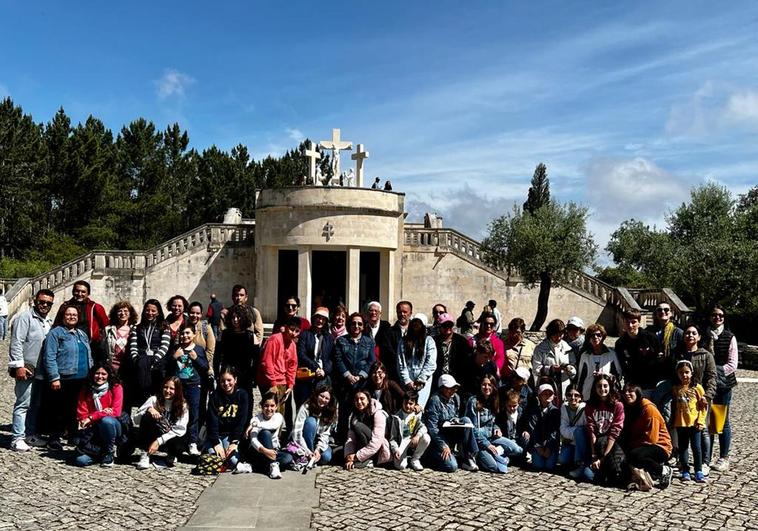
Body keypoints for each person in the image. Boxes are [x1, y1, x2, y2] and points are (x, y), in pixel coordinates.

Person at [8, 288, 54, 451]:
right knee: (23, 404)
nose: (44, 305)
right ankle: (17, 438)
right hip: (26, 368)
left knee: (35, 404)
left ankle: (30, 434)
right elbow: (16, 342)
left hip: (41, 370)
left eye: (48, 303)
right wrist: (18, 365)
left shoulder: (48, 321)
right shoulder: (24, 318)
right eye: (42, 302)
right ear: (35, 301)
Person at [44, 303, 93, 450]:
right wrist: (54, 377)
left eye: (74, 315)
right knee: (59, 409)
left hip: (82, 378)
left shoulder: (81, 334)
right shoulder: (56, 333)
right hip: (64, 377)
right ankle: (54, 437)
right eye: (68, 314)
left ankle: (73, 435)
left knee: (75, 409)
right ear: (63, 316)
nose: (72, 317)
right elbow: (49, 356)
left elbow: (88, 355)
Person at [162, 324, 209, 456]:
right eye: (182, 333)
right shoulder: (175, 349)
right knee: (177, 413)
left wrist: (196, 358)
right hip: (178, 386)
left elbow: (205, 367)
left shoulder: (199, 349)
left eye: (188, 333)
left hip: (194, 386)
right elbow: (166, 366)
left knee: (194, 414)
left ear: (194, 335)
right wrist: (174, 357)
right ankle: (176, 442)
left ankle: (192, 442)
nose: (185, 336)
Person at [703, 305, 738, 472]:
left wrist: (713, 372)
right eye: (714, 315)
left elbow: (732, 364)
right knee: (707, 421)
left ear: (724, 318)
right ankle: (706, 457)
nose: (717, 318)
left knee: (722, 421)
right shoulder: (703, 334)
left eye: (720, 315)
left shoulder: (729, 337)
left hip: (724, 385)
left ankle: (724, 457)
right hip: (706, 385)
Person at [621, 383, 673, 490]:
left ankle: (663, 470)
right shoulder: (631, 408)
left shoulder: (649, 409)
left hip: (660, 445)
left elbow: (651, 439)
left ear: (638, 393)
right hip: (642, 444)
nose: (627, 394)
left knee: (635, 455)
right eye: (625, 391)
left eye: (630, 391)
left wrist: (632, 445)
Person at [424, 374, 479, 472]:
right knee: (452, 466)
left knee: (466, 420)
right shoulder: (435, 400)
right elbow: (432, 427)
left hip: (452, 433)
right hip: (439, 438)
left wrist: (455, 420)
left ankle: (469, 456)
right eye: (449, 388)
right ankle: (432, 457)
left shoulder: (455, 398)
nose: (452, 391)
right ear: (442, 388)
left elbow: (456, 414)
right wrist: (443, 445)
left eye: (454, 388)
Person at [334, 312, 375, 439]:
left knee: (361, 411)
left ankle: (360, 437)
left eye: (359, 324)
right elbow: (338, 359)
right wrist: (348, 375)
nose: (356, 326)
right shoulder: (341, 341)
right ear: (349, 325)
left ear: (363, 326)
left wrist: (361, 376)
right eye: (353, 323)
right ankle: (341, 438)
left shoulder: (369, 342)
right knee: (344, 411)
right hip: (345, 383)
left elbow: (371, 360)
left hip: (362, 383)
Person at [133, 375, 189, 470]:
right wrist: (149, 409)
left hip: (170, 437)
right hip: (154, 432)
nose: (167, 391)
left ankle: (171, 454)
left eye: (172, 388)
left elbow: (180, 430)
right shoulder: (154, 400)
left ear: (177, 391)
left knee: (180, 441)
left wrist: (158, 441)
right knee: (147, 416)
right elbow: (136, 420)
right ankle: (145, 454)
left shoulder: (182, 405)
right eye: (165, 387)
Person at [73, 363, 124, 467]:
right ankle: (100, 454)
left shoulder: (116, 387)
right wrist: (104, 412)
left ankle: (109, 452)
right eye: (97, 373)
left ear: (108, 375)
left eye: (103, 374)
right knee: (80, 461)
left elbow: (115, 412)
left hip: (113, 427)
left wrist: (92, 417)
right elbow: (82, 415)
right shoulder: (86, 389)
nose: (100, 376)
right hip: (93, 430)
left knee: (106, 421)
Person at [205, 366, 251, 473]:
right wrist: (216, 442)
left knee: (233, 460)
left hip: (230, 435)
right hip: (216, 435)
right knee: (214, 457)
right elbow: (212, 420)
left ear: (235, 380)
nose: (226, 384)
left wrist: (235, 441)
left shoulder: (242, 395)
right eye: (222, 381)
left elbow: (241, 421)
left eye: (229, 380)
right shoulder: (214, 396)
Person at [257, 316, 300, 427]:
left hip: (283, 381)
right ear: (285, 328)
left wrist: (290, 384)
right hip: (268, 380)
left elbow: (292, 366)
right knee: (270, 411)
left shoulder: (293, 345)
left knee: (281, 412)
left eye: (297, 331)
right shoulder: (275, 339)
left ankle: (279, 438)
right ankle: (266, 437)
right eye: (291, 329)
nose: (293, 333)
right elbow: (267, 362)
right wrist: (273, 383)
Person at [584, 375, 626, 486]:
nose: (602, 389)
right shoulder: (590, 406)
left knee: (615, 463)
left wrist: (602, 459)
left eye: (605, 386)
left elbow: (615, 431)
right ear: (595, 388)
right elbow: (591, 430)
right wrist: (594, 456)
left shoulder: (618, 405)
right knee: (588, 475)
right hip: (598, 443)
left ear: (610, 387)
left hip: (614, 441)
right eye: (599, 386)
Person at [615, 309, 665, 402]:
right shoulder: (620, 343)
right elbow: (622, 364)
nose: (630, 325)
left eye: (633, 322)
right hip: (632, 385)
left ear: (639, 322)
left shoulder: (650, 338)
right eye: (627, 322)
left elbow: (659, 359)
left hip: (649, 384)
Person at [128, 299, 171, 407]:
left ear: (158, 312)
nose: (150, 313)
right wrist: (136, 360)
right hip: (141, 364)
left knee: (156, 393)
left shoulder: (164, 327)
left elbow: (165, 346)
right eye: (147, 310)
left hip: (157, 365)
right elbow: (133, 346)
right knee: (141, 393)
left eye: (153, 311)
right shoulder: (136, 328)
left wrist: (154, 360)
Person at [465, 374, 510, 473]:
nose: (487, 387)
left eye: (489, 385)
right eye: (484, 385)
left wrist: (497, 428)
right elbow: (473, 429)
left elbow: (495, 421)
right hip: (479, 442)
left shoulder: (494, 400)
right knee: (493, 467)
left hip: (491, 437)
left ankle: (498, 456)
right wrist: (487, 445)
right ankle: (479, 457)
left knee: (517, 449)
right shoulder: (473, 402)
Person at [672, 360, 707, 482]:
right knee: (683, 448)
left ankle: (698, 470)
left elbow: (703, 406)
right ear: (677, 374)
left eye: (687, 372)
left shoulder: (697, 388)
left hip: (694, 423)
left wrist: (700, 421)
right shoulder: (676, 388)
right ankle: (685, 470)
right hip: (680, 423)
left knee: (696, 448)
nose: (684, 375)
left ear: (692, 373)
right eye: (681, 373)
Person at [215, 304, 259, 398]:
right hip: (227, 375)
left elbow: (256, 360)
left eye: (238, 317)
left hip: (245, 376)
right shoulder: (223, 335)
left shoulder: (251, 336)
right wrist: (217, 374)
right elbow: (217, 357)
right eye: (233, 317)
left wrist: (254, 377)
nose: (235, 320)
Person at [246, 392, 293, 478]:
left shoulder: (278, 417)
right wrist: (265, 451)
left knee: (288, 458)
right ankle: (273, 465)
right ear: (262, 406)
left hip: (273, 451)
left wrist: (256, 425)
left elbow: (273, 426)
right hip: (259, 451)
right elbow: (253, 440)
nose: (269, 409)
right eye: (266, 406)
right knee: (265, 433)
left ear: (276, 406)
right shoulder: (256, 419)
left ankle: (252, 466)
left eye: (272, 406)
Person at [289, 384, 337, 466]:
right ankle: (308, 455)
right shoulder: (306, 406)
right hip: (303, 439)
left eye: (326, 398)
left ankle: (312, 457)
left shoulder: (330, 411)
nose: (323, 400)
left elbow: (325, 434)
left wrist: (318, 449)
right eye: (321, 396)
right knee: (311, 421)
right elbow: (297, 432)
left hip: (317, 441)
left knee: (326, 458)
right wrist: (308, 451)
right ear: (317, 395)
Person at [344, 388, 391, 469]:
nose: (359, 402)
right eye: (356, 399)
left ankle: (370, 459)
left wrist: (357, 457)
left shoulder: (378, 414)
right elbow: (351, 439)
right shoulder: (354, 416)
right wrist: (349, 455)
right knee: (336, 454)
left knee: (358, 426)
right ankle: (362, 461)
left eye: (362, 399)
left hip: (377, 450)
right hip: (361, 448)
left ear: (368, 400)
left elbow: (376, 442)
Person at [295, 307, 334, 406]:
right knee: (303, 404)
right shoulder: (305, 334)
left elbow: (331, 358)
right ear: (314, 318)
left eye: (323, 319)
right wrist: (316, 367)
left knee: (320, 405)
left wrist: (324, 370)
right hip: (307, 375)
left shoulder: (329, 338)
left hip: (323, 376)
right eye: (318, 318)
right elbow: (301, 354)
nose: (320, 321)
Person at [397, 315, 437, 408]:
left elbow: (431, 363)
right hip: (407, 382)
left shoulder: (429, 341)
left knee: (418, 408)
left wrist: (421, 380)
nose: (416, 326)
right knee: (407, 407)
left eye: (419, 324)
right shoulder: (403, 341)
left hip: (423, 382)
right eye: (414, 323)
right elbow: (401, 363)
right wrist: (407, 380)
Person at [532, 319, 576, 402]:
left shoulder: (568, 348)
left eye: (561, 334)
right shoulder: (540, 348)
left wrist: (569, 368)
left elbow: (574, 369)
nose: (558, 338)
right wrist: (551, 369)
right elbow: (536, 369)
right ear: (550, 334)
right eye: (555, 335)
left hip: (564, 386)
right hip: (547, 386)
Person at [575, 323, 623, 400]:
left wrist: (606, 375)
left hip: (606, 393)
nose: (595, 337)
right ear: (589, 338)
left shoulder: (611, 354)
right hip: (588, 393)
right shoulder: (585, 355)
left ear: (603, 337)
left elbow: (618, 375)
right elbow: (581, 377)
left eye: (598, 335)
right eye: (592, 335)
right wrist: (579, 393)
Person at [53, 280, 109, 345]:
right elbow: (57, 324)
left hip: (91, 346)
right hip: (68, 345)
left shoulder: (95, 307)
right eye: (77, 291)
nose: (79, 294)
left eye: (83, 292)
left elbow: (106, 326)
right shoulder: (65, 306)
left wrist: (99, 339)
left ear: (88, 293)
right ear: (73, 292)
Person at [524, 383, 561, 471]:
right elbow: (532, 429)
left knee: (549, 467)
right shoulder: (534, 411)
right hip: (538, 444)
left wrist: (549, 448)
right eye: (545, 393)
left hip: (551, 445)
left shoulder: (556, 411)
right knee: (538, 466)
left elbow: (555, 431)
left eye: (550, 393)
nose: (548, 395)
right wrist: (538, 447)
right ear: (539, 396)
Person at [391, 390, 430, 471]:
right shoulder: (396, 418)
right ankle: (405, 457)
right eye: (405, 403)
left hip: (413, 440)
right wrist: (395, 450)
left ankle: (415, 459)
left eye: (411, 404)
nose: (408, 406)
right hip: (402, 442)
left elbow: (424, 427)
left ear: (415, 404)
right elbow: (393, 438)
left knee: (426, 437)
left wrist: (417, 436)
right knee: (400, 466)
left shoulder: (417, 414)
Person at [432, 312, 472, 390]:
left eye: (449, 325)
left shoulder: (462, 342)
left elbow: (467, 363)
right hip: (437, 381)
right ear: (439, 326)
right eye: (444, 325)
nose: (447, 328)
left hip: (457, 381)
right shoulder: (433, 341)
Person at [559, 384, 590, 481]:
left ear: (581, 397)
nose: (573, 398)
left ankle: (579, 465)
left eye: (576, 395)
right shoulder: (564, 407)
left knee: (580, 431)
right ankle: (574, 462)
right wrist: (576, 433)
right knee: (562, 459)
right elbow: (563, 429)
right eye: (570, 395)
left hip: (581, 444)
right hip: (572, 444)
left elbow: (585, 430)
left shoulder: (585, 409)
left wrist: (575, 433)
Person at [99, 301, 137, 375]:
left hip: (129, 367)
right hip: (112, 367)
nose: (123, 313)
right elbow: (103, 348)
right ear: (115, 314)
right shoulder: (108, 330)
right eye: (119, 311)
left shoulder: (135, 330)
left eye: (126, 311)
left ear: (130, 314)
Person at [364, 301, 395, 381]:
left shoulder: (387, 328)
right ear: (367, 313)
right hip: (367, 367)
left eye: (376, 311)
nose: (373, 313)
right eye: (371, 310)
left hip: (384, 366)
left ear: (380, 314)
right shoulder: (363, 328)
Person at [468, 313, 506, 378]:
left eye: (491, 324)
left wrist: (494, 369)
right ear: (481, 324)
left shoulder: (498, 342)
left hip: (490, 376)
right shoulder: (472, 341)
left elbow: (500, 359)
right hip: (473, 374)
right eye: (486, 323)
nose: (488, 326)